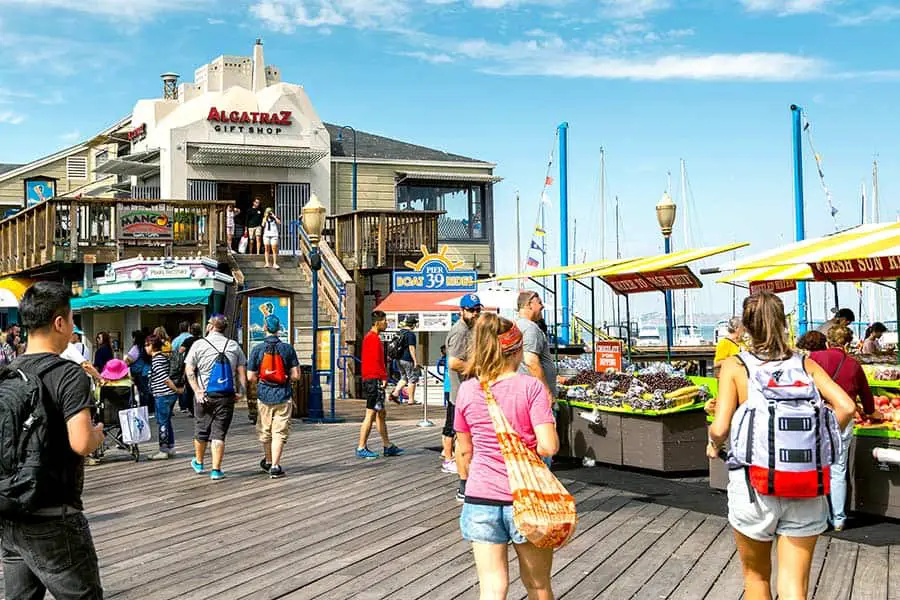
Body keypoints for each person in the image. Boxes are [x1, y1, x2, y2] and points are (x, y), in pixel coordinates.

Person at [708, 292, 856, 600]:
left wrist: (713, 443)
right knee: (794, 587)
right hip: (806, 483)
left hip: (754, 485)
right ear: (783, 322)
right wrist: (820, 443)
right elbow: (845, 406)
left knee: (757, 578)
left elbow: (721, 427)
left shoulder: (737, 366)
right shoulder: (804, 363)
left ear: (746, 327)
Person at [1, 281, 105, 599]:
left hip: (11, 512)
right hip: (55, 517)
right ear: (59, 323)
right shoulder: (69, 374)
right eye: (72, 319)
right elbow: (81, 442)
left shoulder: (9, 372)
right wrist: (98, 434)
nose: (72, 328)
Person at [454, 313, 558, 600]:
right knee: (537, 585)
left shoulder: (467, 390)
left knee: (491, 587)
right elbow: (548, 446)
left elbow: (465, 451)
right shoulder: (531, 387)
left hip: (480, 498)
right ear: (517, 350)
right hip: (526, 499)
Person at [810, 325, 881, 531]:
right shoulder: (853, 365)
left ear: (827, 341)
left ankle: (819, 516)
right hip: (843, 418)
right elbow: (868, 400)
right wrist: (870, 412)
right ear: (848, 344)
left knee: (817, 467)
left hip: (816, 416)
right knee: (838, 468)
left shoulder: (814, 360)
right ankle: (839, 518)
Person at [184, 314, 247, 481]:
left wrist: (197, 390)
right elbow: (242, 373)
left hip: (204, 394)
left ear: (210, 326)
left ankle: (198, 462)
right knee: (219, 433)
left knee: (201, 429)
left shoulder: (199, 344)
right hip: (226, 395)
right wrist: (242, 391)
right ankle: (216, 470)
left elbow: (189, 370)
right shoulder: (233, 345)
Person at [247, 315, 300, 478]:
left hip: (264, 394)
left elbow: (250, 376)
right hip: (283, 395)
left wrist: (262, 380)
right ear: (279, 328)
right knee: (279, 432)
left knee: (265, 430)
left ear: (265, 327)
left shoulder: (257, 349)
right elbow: (296, 375)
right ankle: (276, 466)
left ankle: (269, 460)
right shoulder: (287, 349)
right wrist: (285, 378)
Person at [444, 293, 483, 477]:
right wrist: (477, 369)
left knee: (469, 438)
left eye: (477, 310)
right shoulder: (459, 331)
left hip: (469, 391)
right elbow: (453, 363)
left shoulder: (473, 329)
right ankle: (463, 480)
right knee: (463, 439)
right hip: (461, 392)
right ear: (461, 311)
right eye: (471, 310)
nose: (475, 313)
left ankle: (468, 474)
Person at [356, 311, 404, 459]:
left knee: (380, 413)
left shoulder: (371, 338)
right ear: (378, 322)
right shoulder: (373, 339)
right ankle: (361, 446)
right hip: (373, 379)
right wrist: (383, 377)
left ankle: (387, 445)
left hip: (372, 378)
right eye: (384, 321)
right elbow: (376, 360)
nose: (386, 323)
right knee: (370, 413)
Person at [516, 291, 558, 404]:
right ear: (530, 305)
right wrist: (547, 392)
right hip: (536, 397)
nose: (542, 306)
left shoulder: (515, 326)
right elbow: (530, 361)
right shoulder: (531, 328)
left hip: (523, 392)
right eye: (539, 303)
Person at [147, 334, 182, 460]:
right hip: (166, 394)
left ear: (151, 346)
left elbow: (165, 379)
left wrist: (176, 390)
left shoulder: (157, 360)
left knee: (162, 422)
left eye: (147, 345)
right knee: (166, 421)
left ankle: (163, 449)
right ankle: (170, 447)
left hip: (163, 394)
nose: (145, 348)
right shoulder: (163, 357)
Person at [390, 317, 420, 405]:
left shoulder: (400, 332)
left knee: (403, 377)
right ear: (413, 324)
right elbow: (411, 348)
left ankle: (395, 393)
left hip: (399, 359)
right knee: (412, 378)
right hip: (407, 359)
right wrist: (415, 360)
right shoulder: (410, 334)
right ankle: (411, 399)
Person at [125, 330, 154, 413]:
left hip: (139, 372)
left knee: (142, 392)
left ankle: (144, 409)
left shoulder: (136, 348)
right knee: (148, 391)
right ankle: (151, 408)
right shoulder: (145, 347)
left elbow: (129, 360)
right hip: (146, 371)